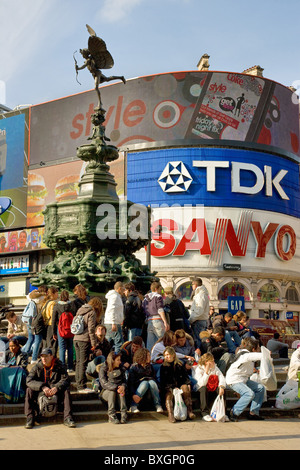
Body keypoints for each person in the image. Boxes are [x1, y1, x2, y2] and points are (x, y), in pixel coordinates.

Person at [25, 347, 76, 429]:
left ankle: (68, 418)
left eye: (46, 356)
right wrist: (42, 387)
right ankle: (30, 417)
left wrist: (56, 387)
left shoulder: (59, 366)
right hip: (41, 392)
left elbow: (66, 379)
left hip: (55, 392)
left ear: (52, 356)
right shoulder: (37, 367)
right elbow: (29, 380)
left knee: (66, 390)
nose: (44, 359)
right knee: (29, 390)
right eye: (42, 356)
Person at [225, 337, 267, 421]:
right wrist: (266, 354)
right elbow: (251, 356)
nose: (259, 349)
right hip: (234, 380)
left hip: (243, 379)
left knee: (260, 388)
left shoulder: (245, 354)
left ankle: (253, 413)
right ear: (253, 349)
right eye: (258, 348)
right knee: (249, 394)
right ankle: (234, 412)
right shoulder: (245, 354)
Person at [74, 297, 103, 393]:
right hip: (84, 340)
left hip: (76, 338)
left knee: (78, 363)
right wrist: (94, 343)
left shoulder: (80, 310)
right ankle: (81, 386)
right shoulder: (92, 312)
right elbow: (91, 329)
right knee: (83, 363)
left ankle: (79, 384)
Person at [160, 346, 195, 423]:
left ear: (173, 355)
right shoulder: (163, 367)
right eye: (165, 355)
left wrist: (188, 384)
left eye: (168, 354)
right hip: (168, 387)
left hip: (180, 385)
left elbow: (185, 377)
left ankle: (189, 411)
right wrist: (173, 387)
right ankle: (170, 414)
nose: (167, 357)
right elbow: (163, 381)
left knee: (185, 387)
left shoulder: (179, 364)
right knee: (169, 394)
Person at [192, 352, 226, 421]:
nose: (214, 362)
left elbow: (221, 377)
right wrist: (206, 372)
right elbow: (201, 383)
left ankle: (224, 413)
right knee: (203, 388)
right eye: (212, 361)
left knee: (221, 389)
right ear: (206, 362)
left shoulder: (215, 367)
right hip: (200, 390)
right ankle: (204, 413)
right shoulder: (198, 369)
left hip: (212, 388)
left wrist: (221, 386)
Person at [128, 347, 163, 414]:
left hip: (150, 392)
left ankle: (158, 405)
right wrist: (133, 394)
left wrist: (158, 387)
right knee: (144, 383)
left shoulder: (150, 367)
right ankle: (134, 405)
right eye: (148, 355)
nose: (150, 357)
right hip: (139, 391)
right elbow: (131, 383)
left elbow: (154, 378)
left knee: (152, 382)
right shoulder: (134, 367)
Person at [99, 351, 128, 424]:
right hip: (106, 392)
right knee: (112, 391)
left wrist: (123, 387)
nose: (120, 362)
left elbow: (124, 381)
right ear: (112, 360)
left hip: (118, 391)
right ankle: (111, 415)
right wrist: (116, 387)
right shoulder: (104, 368)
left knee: (121, 392)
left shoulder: (121, 368)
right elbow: (104, 383)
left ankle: (124, 413)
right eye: (118, 360)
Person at [52, 290, 75, 371]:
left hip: (61, 329)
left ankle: (62, 367)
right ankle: (70, 367)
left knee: (62, 348)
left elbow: (54, 320)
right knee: (70, 348)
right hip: (71, 329)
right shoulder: (72, 305)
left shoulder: (57, 306)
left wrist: (53, 332)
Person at [143, 281, 170, 352]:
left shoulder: (145, 298)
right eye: (160, 289)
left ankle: (150, 359)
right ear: (156, 289)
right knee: (163, 341)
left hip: (149, 321)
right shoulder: (158, 297)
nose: (161, 291)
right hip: (157, 320)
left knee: (150, 344)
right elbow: (160, 310)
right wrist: (165, 322)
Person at [0, 339, 28, 403]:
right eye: (10, 346)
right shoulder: (8, 353)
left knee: (20, 372)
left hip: (18, 372)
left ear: (18, 346)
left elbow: (23, 366)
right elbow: (2, 363)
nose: (11, 348)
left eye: (13, 346)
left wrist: (11, 367)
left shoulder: (23, 354)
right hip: (8, 371)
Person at [104, 281, 125, 353]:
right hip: (113, 323)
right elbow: (112, 309)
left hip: (111, 322)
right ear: (119, 289)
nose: (124, 291)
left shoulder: (113, 296)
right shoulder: (115, 296)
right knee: (119, 343)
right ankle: (116, 359)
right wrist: (113, 322)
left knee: (109, 342)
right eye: (123, 289)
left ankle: (108, 359)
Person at [189, 278, 209, 351]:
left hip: (198, 321)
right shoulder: (201, 294)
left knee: (198, 341)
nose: (192, 286)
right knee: (200, 340)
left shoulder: (200, 295)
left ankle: (200, 358)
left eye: (192, 284)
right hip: (200, 320)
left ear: (195, 285)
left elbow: (199, 311)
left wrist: (191, 320)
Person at [41, 286, 58, 352]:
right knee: (52, 345)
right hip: (51, 325)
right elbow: (53, 315)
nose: (57, 295)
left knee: (46, 344)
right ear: (53, 294)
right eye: (56, 293)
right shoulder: (52, 303)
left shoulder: (45, 302)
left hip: (46, 325)